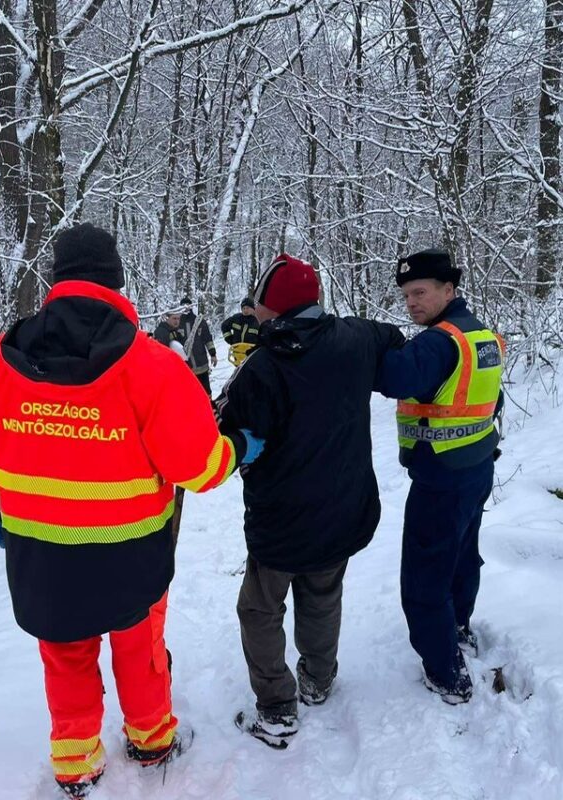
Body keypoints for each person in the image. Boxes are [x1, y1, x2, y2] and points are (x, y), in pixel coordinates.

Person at [0, 223, 263, 798]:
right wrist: (240, 449)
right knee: (139, 650)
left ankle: (76, 766)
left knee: (66, 656)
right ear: (117, 281)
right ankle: (151, 740)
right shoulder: (152, 365)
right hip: (132, 552)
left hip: (40, 555)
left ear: (56, 280)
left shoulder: (1, 359)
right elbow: (198, 468)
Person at [216, 253, 403, 748]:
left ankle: (277, 708)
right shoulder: (357, 339)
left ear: (273, 310)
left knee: (259, 609)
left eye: (258, 306)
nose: (252, 313)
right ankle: (318, 679)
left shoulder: (263, 368)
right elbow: (392, 339)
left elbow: (221, 428)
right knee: (323, 594)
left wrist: (247, 358)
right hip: (344, 510)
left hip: (281, 520)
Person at [375, 248, 504, 705]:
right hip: (476, 466)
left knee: (425, 574)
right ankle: (457, 627)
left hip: (441, 474)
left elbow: (393, 377)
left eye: (421, 292)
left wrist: (373, 341)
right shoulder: (481, 335)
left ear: (449, 290)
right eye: (407, 294)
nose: (412, 302)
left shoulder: (437, 341)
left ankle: (446, 672)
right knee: (462, 557)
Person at [153, 299, 218, 396]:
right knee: (191, 394)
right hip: (187, 368)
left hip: (202, 364)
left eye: (188, 305)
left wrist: (213, 354)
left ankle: (210, 408)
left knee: (206, 392)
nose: (186, 308)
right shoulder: (175, 325)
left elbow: (208, 339)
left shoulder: (199, 321)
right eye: (183, 306)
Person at [220, 297, 260, 366]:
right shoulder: (236, 318)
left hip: (252, 355)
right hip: (238, 354)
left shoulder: (258, 321)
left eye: (247, 308)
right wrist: (229, 339)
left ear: (253, 309)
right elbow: (224, 325)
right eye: (243, 308)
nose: (245, 310)